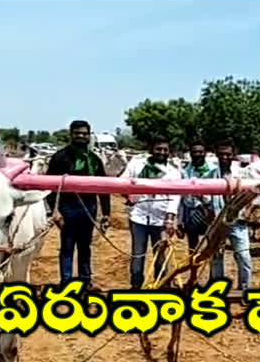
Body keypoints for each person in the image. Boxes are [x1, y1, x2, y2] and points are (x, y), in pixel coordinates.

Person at [45, 120, 111, 291]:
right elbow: (50, 187)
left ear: (89, 135)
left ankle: (85, 279)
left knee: (84, 246)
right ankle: (66, 282)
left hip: (89, 207)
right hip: (68, 207)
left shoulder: (95, 160)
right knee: (67, 246)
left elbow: (104, 187)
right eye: (77, 133)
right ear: (71, 134)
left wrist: (106, 213)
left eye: (84, 133)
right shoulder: (60, 158)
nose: (81, 136)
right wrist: (54, 211)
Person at [119, 136, 181, 289]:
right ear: (151, 150)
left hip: (161, 220)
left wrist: (170, 218)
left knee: (160, 256)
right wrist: (129, 195)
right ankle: (136, 286)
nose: (162, 152)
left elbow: (175, 197)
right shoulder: (136, 165)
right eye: (158, 149)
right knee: (138, 254)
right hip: (138, 217)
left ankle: (161, 286)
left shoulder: (173, 173)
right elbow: (121, 182)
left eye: (165, 150)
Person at [210, 138, 260, 290]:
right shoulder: (211, 174)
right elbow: (205, 198)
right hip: (217, 222)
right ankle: (218, 289)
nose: (224, 157)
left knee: (244, 257)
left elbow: (259, 194)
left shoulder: (244, 174)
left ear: (234, 155)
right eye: (221, 154)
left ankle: (245, 289)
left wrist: (250, 209)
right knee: (216, 257)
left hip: (238, 223)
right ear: (216, 154)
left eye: (228, 154)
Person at [179, 141, 220, 261]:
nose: (198, 154)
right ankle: (194, 276)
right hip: (191, 211)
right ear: (190, 154)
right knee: (193, 247)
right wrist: (180, 220)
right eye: (194, 152)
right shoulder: (185, 171)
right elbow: (182, 197)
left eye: (200, 152)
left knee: (212, 245)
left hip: (209, 211)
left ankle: (214, 276)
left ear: (205, 153)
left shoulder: (213, 170)